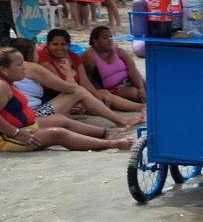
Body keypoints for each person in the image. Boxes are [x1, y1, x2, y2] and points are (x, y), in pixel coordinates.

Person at [0, 47, 133, 152]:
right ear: (3, 69)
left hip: (25, 126)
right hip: (7, 138)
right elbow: (69, 88)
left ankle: (106, 132)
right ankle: (111, 144)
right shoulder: (2, 86)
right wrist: (17, 134)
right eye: (19, 65)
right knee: (58, 134)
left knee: (60, 119)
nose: (24, 67)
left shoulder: (9, 82)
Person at [9, 39, 141, 128]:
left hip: (25, 112)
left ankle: (133, 111)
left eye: (63, 44)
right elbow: (71, 88)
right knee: (79, 92)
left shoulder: (11, 67)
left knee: (92, 93)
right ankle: (120, 121)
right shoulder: (32, 67)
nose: (59, 48)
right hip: (32, 114)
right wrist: (68, 72)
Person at [38, 29, 143, 113]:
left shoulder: (74, 57)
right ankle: (122, 119)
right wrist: (69, 74)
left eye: (63, 44)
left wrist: (96, 95)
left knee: (103, 94)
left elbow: (85, 82)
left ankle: (141, 107)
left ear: (69, 45)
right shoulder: (44, 56)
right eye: (55, 44)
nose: (59, 48)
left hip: (73, 92)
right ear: (48, 44)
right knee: (92, 97)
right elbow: (60, 86)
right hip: (53, 97)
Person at [82, 26, 145, 104]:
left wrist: (140, 87)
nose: (110, 40)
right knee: (134, 93)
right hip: (111, 89)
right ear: (95, 42)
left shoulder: (119, 51)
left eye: (111, 37)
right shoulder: (89, 56)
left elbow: (133, 70)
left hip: (128, 80)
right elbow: (88, 78)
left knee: (149, 85)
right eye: (105, 38)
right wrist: (97, 93)